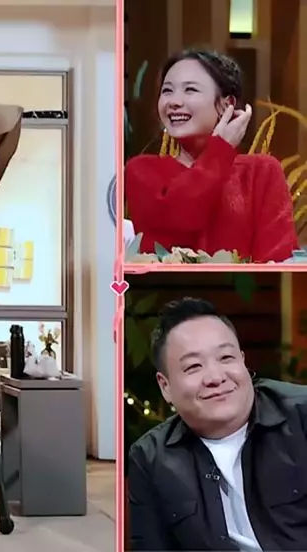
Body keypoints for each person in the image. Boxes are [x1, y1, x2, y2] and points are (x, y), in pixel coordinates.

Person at [127, 297, 307, 550]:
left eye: (225, 357)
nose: (215, 377)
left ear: (242, 361)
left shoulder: (301, 416)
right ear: (165, 386)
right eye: (193, 366)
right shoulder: (150, 459)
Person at [125, 49, 297, 263]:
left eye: (190, 89)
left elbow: (277, 262)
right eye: (167, 91)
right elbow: (179, 221)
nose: (174, 102)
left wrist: (220, 150)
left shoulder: (261, 173)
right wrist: (221, 149)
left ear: (227, 104)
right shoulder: (142, 170)